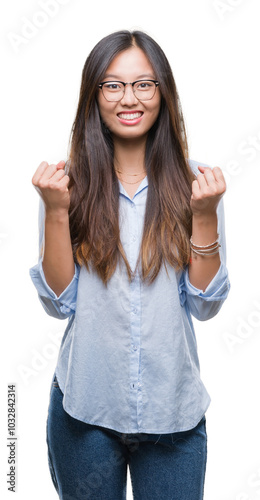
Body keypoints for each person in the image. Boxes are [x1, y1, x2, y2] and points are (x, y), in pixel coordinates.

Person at [30, 30, 230, 500]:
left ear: (163, 92)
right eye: (112, 85)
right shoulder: (64, 185)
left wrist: (203, 217)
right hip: (85, 411)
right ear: (94, 96)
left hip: (173, 416)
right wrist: (57, 211)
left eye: (144, 84)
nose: (129, 98)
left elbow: (205, 305)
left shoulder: (197, 185)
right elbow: (60, 303)